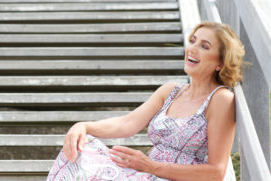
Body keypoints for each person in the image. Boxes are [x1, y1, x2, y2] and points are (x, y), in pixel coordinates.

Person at [47, 21, 245, 181]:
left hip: (173, 176)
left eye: (204, 46)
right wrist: (83, 126)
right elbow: (127, 124)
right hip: (148, 173)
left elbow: (216, 172)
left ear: (220, 62)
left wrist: (151, 166)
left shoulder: (221, 99)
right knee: (82, 146)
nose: (192, 48)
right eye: (192, 41)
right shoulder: (171, 91)